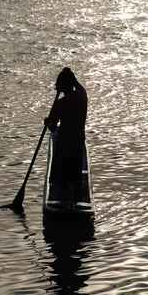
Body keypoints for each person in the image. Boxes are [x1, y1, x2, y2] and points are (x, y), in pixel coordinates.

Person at [45, 68, 88, 204]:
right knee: (75, 179)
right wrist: (71, 79)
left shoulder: (61, 103)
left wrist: (47, 122)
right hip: (78, 143)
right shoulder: (82, 96)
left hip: (64, 144)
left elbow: (52, 127)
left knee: (62, 180)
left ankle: (65, 205)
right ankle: (77, 204)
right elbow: (79, 86)